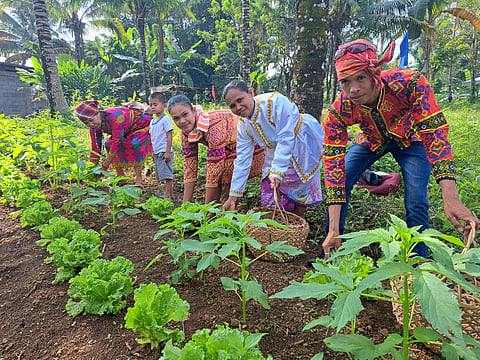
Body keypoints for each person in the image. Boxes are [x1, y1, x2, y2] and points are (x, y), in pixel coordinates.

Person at [320, 38, 480, 260]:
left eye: (361, 78)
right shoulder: (339, 110)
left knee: (416, 198)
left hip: (411, 138)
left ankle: (418, 263)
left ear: (374, 73)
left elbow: (434, 135)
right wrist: (333, 230)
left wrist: (450, 196)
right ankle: (332, 253)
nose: (353, 89)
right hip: (371, 140)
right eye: (345, 81)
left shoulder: (410, 84)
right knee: (344, 175)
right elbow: (333, 165)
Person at [222, 80, 324, 216]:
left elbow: (286, 137)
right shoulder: (243, 125)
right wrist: (233, 196)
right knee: (269, 185)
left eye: (240, 100)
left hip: (301, 143)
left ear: (251, 93)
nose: (238, 107)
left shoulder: (274, 102)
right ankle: (276, 224)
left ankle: (296, 224)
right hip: (276, 149)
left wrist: (277, 171)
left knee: (301, 182)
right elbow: (242, 159)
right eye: (233, 106)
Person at [167, 94, 265, 204]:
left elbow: (214, 166)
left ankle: (227, 208)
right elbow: (190, 163)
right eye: (176, 118)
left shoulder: (213, 124)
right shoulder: (186, 132)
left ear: (193, 111)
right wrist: (186, 205)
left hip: (252, 142)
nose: (182, 121)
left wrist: (206, 209)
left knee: (226, 169)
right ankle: (217, 208)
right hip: (229, 147)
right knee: (220, 171)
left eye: (185, 115)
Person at [75, 100, 152, 187]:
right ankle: (121, 176)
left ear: (98, 113)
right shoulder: (93, 127)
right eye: (86, 123)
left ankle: (139, 179)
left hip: (138, 125)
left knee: (134, 144)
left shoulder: (115, 117)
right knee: (108, 144)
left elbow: (117, 141)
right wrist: (93, 166)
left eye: (91, 120)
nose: (91, 124)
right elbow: (95, 146)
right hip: (123, 131)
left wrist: (105, 165)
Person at [148, 92, 174, 199]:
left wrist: (167, 152)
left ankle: (168, 194)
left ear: (164, 106)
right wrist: (153, 152)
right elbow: (153, 138)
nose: (153, 107)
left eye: (155, 104)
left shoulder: (165, 119)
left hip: (164, 151)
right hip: (157, 151)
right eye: (151, 105)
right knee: (161, 174)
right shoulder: (152, 121)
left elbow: (169, 136)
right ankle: (168, 193)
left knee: (167, 174)